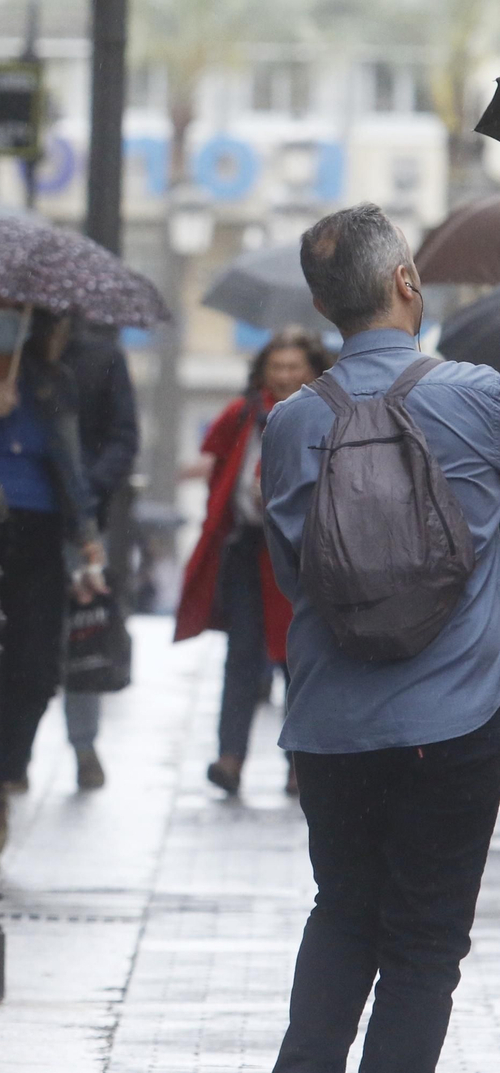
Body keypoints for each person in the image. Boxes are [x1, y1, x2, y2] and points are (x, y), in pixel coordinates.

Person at [264, 204, 500, 1072]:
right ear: (407, 282)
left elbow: (299, 575)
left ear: (326, 308)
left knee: (342, 915)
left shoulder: (291, 420)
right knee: (424, 950)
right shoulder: (479, 399)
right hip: (456, 722)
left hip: (332, 726)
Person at [175, 327, 331, 796]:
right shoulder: (244, 415)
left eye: (293, 368)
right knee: (241, 657)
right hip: (247, 549)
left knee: (300, 662)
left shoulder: (326, 415)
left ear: (313, 371)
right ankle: (230, 757)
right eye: (276, 367)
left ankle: (299, 763)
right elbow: (218, 467)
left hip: (305, 556)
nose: (283, 376)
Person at [0, 299, 106, 857]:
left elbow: (70, 459)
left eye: (17, 311)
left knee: (35, 671)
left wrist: (87, 532)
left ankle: (6, 772)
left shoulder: (52, 380)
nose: (7, 319)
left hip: (38, 532)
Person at [60, 320, 140, 791]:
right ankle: (14, 755)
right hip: (22, 512)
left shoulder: (101, 357)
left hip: (86, 521)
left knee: (84, 638)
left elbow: (124, 437)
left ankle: (83, 744)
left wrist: (87, 489)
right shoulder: (14, 358)